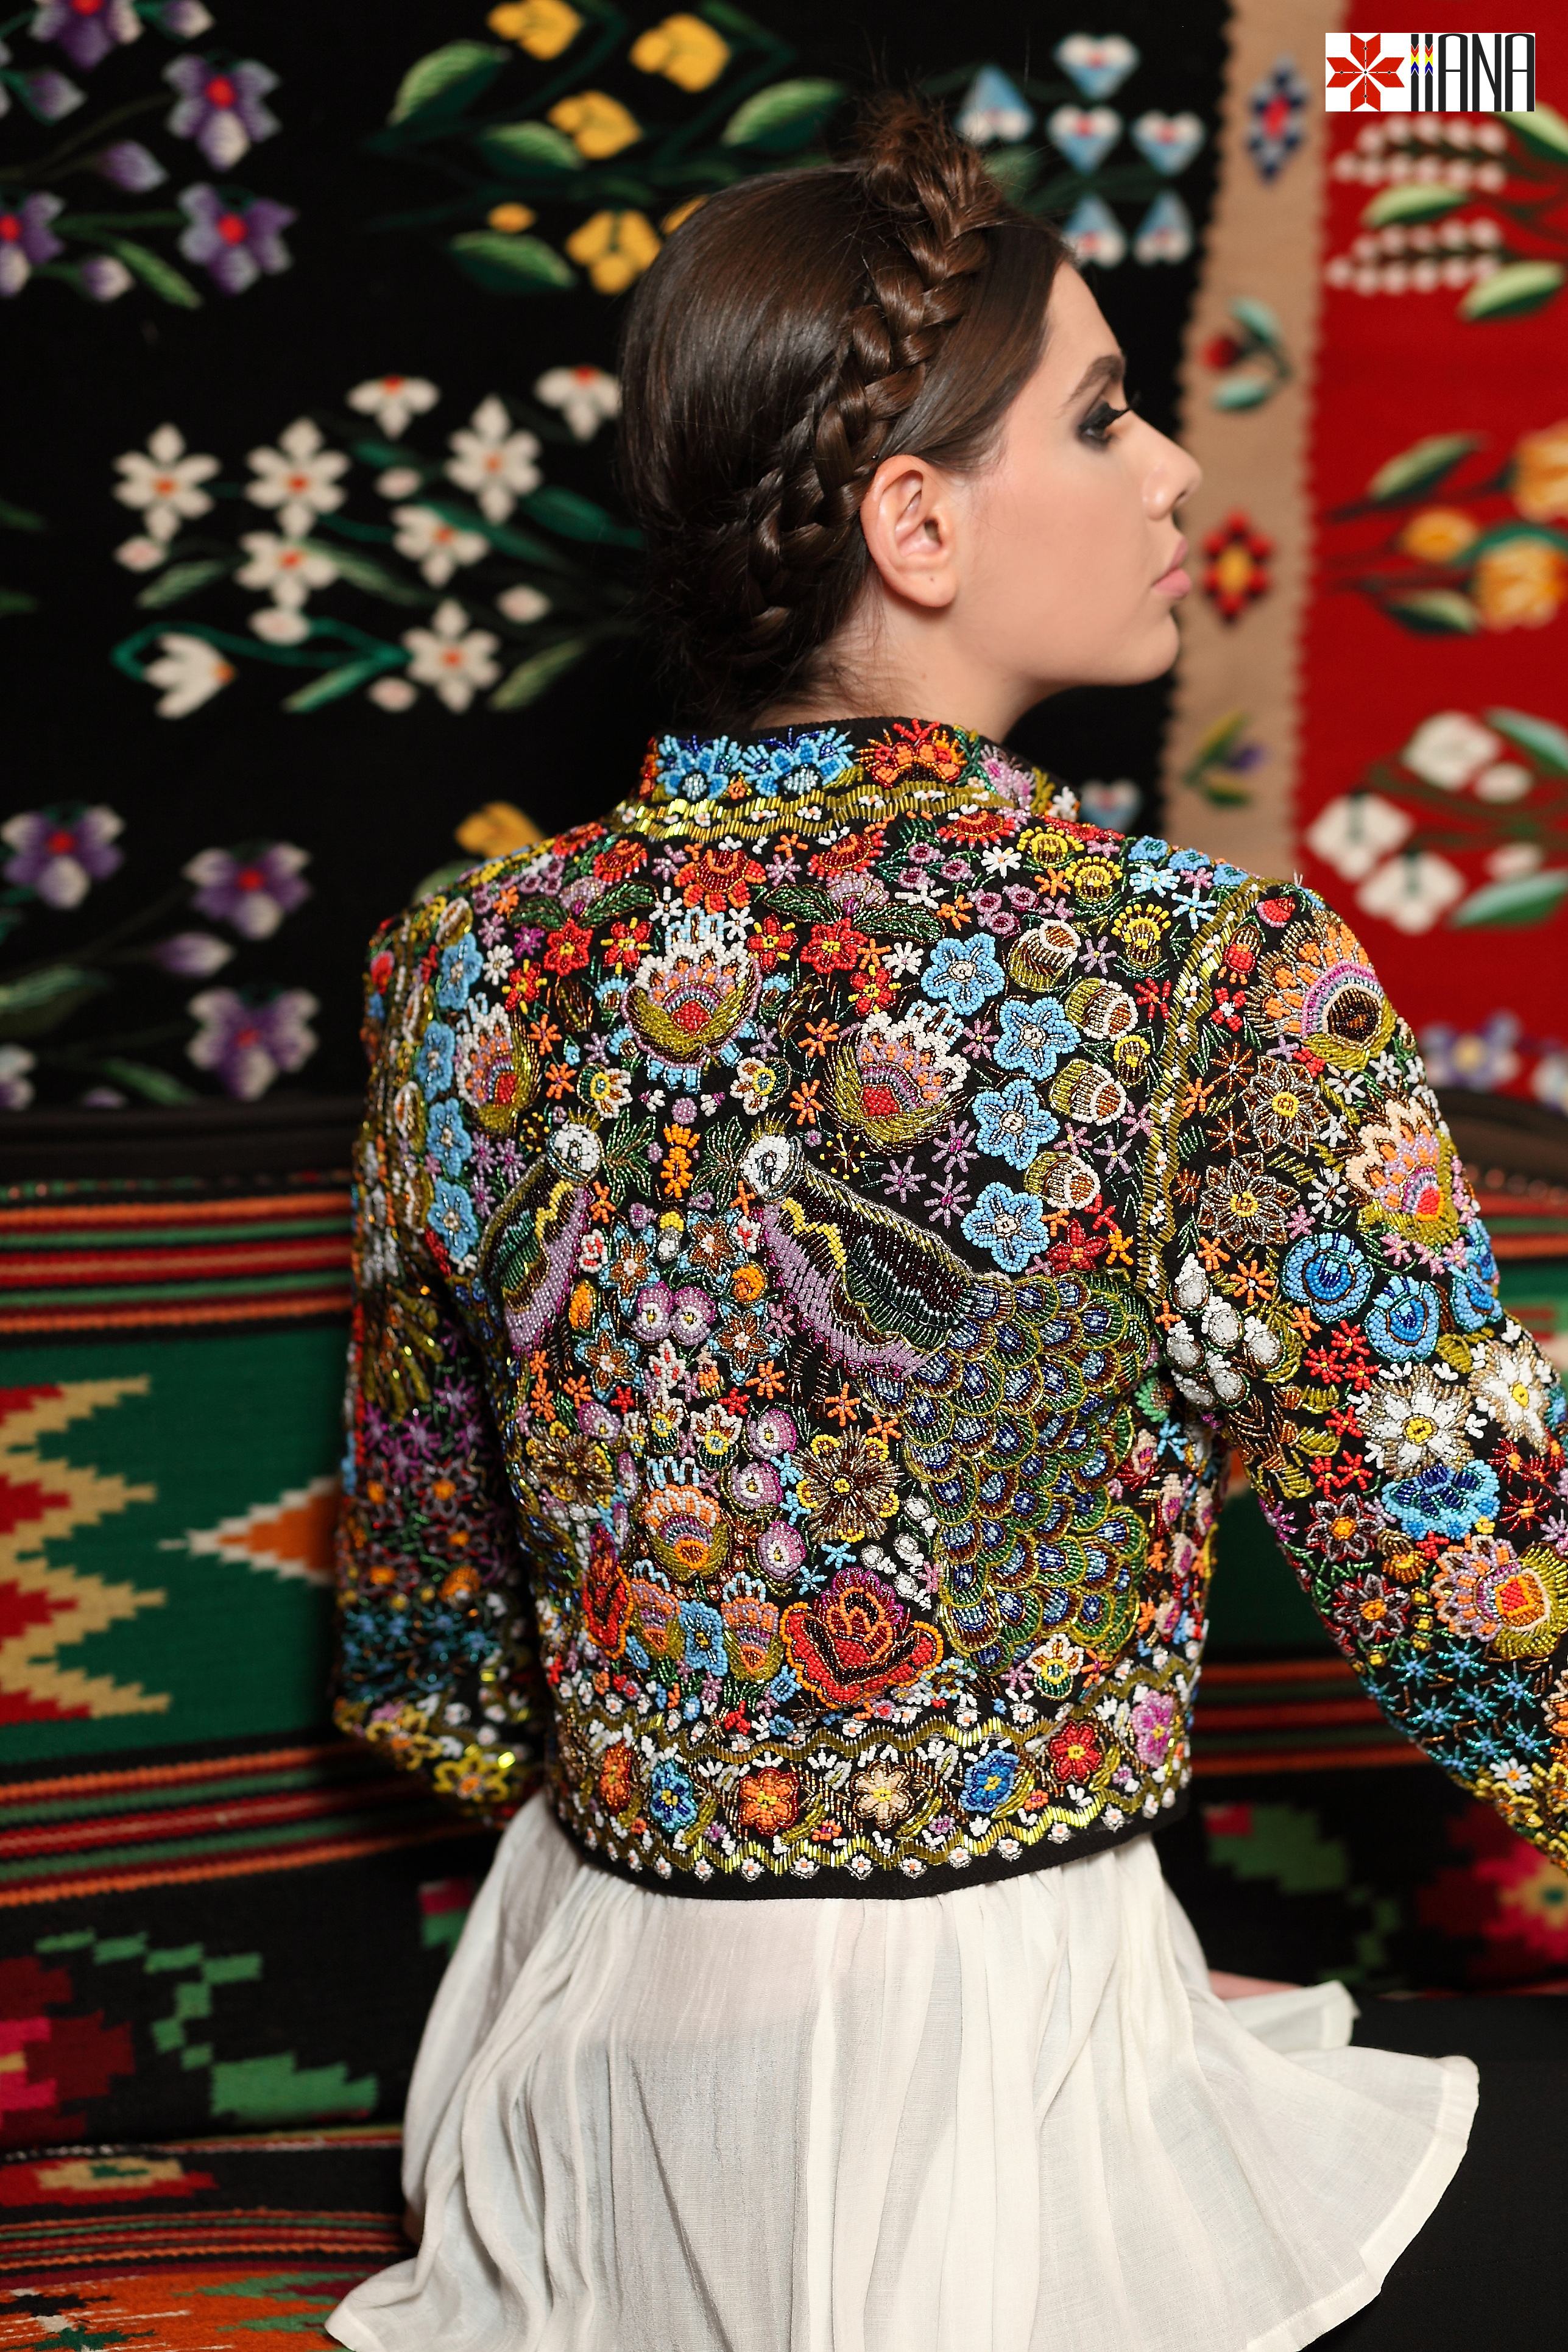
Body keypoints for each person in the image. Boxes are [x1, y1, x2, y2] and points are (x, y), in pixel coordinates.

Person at [324, 94, 1568, 2352]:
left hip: (576, 2091)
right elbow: (1491, 1593)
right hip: (997, 2113)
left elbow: (428, 1654)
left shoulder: (460, 971)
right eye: (1101, 415)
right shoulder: (1199, 980)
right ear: (914, 523)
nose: (1177, 472)